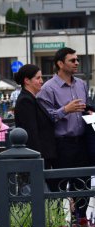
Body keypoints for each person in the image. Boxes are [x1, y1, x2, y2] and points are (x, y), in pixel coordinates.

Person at [37, 47, 94, 216]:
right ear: (60, 64)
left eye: (77, 60)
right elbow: (44, 118)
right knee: (58, 188)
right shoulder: (48, 88)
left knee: (83, 187)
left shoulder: (81, 84)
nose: (77, 63)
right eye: (72, 60)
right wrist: (65, 110)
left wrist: (90, 112)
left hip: (82, 142)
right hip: (61, 145)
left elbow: (85, 108)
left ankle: (81, 226)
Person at [14, 64, 57, 191]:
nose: (41, 81)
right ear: (27, 81)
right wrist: (38, 160)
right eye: (38, 78)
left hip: (42, 158)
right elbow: (31, 133)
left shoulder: (31, 98)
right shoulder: (25, 101)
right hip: (37, 160)